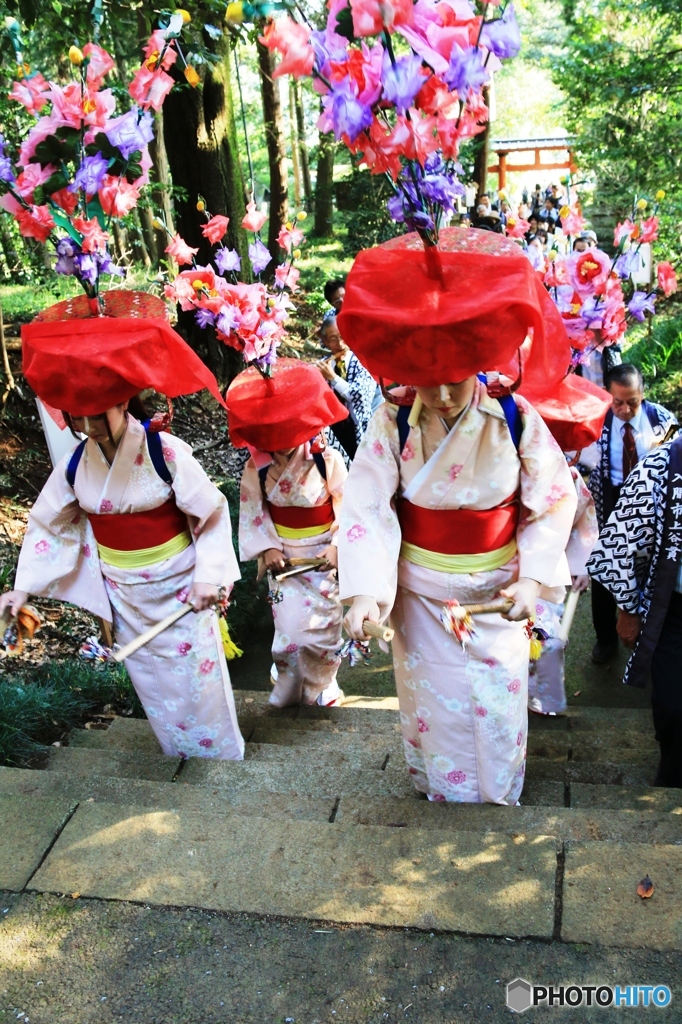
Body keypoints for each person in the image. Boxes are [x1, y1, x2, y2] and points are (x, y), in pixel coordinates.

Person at [337, 227, 577, 805]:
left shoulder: (513, 417)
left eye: (456, 376)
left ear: (477, 359)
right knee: (434, 706)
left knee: (497, 706)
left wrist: (532, 578)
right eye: (428, 378)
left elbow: (552, 499)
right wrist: (366, 592)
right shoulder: (392, 422)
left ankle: (499, 797)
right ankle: (440, 796)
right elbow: (366, 505)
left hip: (498, 590)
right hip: (421, 596)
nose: (443, 394)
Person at [0, 291, 244, 761]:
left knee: (199, 681)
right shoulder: (74, 465)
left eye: (99, 414)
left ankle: (221, 763)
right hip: (125, 595)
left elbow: (211, 513)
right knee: (155, 686)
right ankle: (179, 758)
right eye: (79, 417)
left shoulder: (163, 452)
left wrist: (208, 576)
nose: (89, 426)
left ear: (124, 402)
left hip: (180, 589)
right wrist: (23, 589)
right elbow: (50, 526)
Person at [227, 359, 349, 708]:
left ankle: (323, 684)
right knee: (289, 634)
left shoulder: (327, 460)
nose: (278, 440)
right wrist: (267, 549)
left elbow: (350, 506)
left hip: (323, 556)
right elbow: (254, 509)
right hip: (285, 559)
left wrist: (338, 545)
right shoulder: (259, 467)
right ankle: (287, 680)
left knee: (323, 632)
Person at [588, 431, 682, 786]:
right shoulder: (662, 466)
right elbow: (622, 542)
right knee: (674, 705)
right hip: (673, 608)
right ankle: (672, 779)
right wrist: (627, 608)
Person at [588, 364, 676, 662]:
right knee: (604, 572)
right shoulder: (596, 420)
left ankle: (650, 637)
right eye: (618, 402)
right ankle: (605, 638)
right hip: (610, 502)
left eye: (632, 402)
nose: (625, 409)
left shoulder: (662, 421)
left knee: (649, 570)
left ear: (643, 395)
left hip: (650, 506)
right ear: (607, 396)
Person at [317, 311, 380, 459]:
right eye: (333, 339)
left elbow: (360, 395)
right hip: (335, 429)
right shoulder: (325, 364)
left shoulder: (362, 361)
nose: (340, 344)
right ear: (325, 342)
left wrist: (333, 378)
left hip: (362, 427)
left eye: (342, 337)